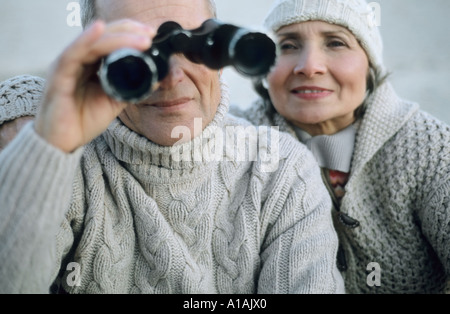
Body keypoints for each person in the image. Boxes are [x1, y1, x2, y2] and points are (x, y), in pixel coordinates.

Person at [0, 0, 345, 294]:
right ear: (96, 63)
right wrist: (50, 143)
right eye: (139, 53)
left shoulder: (279, 170)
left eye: (196, 46)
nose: (172, 77)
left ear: (221, 52)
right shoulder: (63, 164)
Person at [231, 0, 450, 294]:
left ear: (370, 64)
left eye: (335, 43)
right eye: (287, 45)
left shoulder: (431, 147)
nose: (309, 66)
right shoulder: (234, 146)